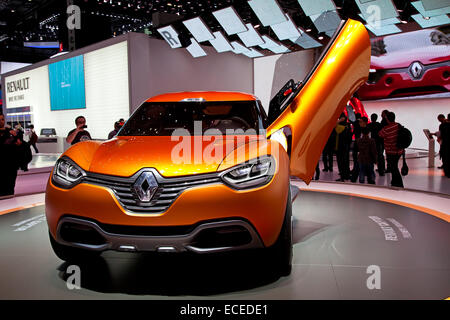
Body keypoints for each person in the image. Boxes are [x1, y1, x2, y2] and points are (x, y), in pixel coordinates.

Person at [378, 112, 404, 188]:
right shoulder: (398, 125)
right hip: (399, 150)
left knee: (394, 167)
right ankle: (394, 182)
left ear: (387, 119)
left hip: (390, 151)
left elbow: (380, 134)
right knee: (394, 166)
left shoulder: (386, 128)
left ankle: (398, 184)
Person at [0, 114, 21, 198]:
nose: (1, 121)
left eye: (2, 119)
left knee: (10, 186)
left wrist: (18, 142)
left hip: (10, 164)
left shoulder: (11, 132)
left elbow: (19, 143)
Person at [335, 114, 351, 181]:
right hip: (346, 146)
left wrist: (338, 121)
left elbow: (332, 126)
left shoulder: (338, 127)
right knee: (346, 161)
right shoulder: (348, 126)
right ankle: (347, 175)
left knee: (340, 162)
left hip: (339, 146)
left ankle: (342, 176)